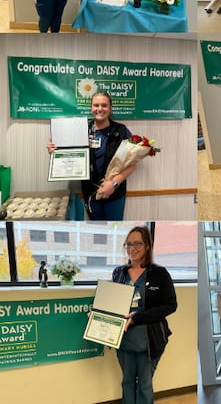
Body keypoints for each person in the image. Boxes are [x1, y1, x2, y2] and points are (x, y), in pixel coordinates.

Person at [112, 226, 177, 404]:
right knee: (127, 382)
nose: (132, 248)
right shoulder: (119, 273)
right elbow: (113, 301)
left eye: (137, 244)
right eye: (128, 244)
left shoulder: (159, 274)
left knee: (144, 385)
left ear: (147, 246)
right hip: (124, 339)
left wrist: (137, 317)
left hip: (148, 339)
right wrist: (99, 314)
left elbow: (171, 305)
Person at [47, 91, 135, 220]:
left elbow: (132, 164)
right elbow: (68, 153)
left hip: (114, 193)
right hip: (91, 193)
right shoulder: (80, 129)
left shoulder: (121, 131)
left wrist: (113, 184)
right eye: (96, 105)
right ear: (91, 108)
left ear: (110, 108)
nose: (100, 109)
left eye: (104, 105)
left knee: (114, 228)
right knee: (96, 228)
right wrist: (55, 151)